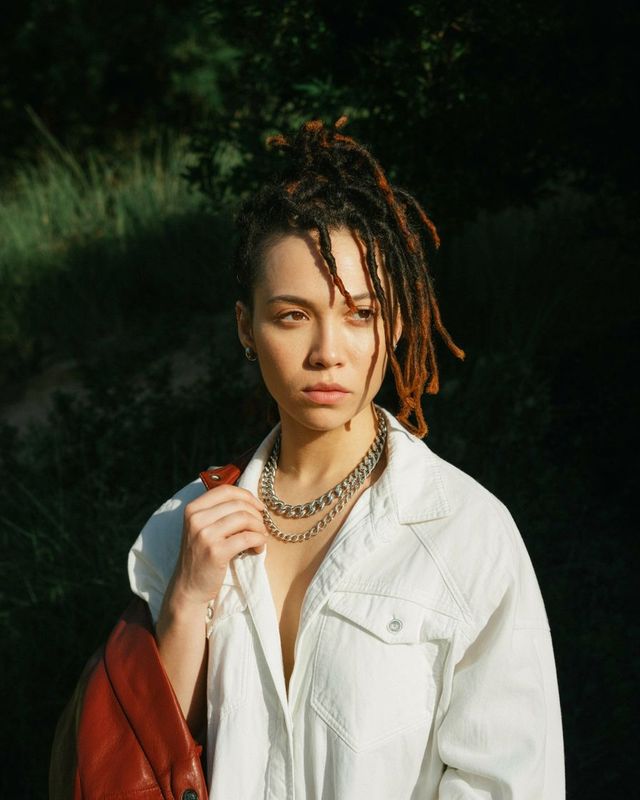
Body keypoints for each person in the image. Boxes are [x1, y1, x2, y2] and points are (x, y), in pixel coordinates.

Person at [128, 116, 565, 799]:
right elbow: (144, 765)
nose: (328, 351)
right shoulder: (184, 526)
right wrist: (186, 600)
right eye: (292, 315)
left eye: (360, 314)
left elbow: (510, 782)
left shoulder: (465, 532)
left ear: (393, 324)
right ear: (247, 328)